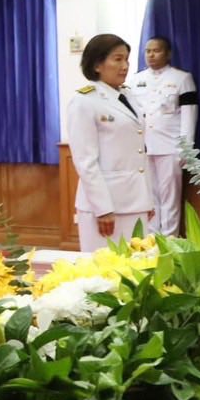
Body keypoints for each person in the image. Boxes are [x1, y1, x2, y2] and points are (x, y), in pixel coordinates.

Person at [68, 34, 155, 252]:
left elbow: (139, 154)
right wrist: (102, 208)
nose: (125, 66)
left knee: (136, 272)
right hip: (106, 206)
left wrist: (148, 200)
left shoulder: (128, 96)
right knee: (104, 275)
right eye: (117, 59)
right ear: (97, 64)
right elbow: (86, 161)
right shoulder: (84, 101)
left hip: (136, 201)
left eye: (126, 59)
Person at [129, 36, 198, 236]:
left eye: (156, 50)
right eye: (148, 51)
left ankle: (170, 243)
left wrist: (187, 148)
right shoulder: (136, 80)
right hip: (143, 147)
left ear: (167, 53)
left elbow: (189, 115)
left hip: (170, 147)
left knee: (170, 199)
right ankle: (152, 241)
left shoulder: (182, 78)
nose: (151, 55)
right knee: (149, 198)